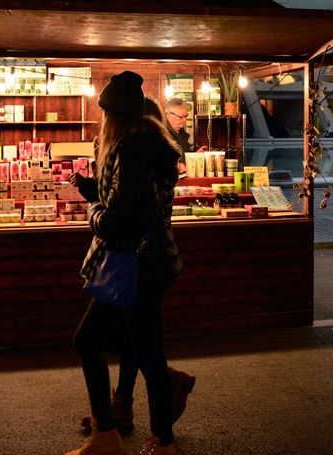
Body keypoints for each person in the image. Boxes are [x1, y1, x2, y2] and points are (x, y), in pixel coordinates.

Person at [67, 73, 184, 455]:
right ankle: (150, 435)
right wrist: (98, 193)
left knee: (93, 341)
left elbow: (119, 223)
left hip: (135, 265)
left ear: (112, 116)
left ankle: (115, 435)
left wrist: (93, 209)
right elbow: (133, 203)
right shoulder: (151, 144)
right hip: (152, 262)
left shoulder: (129, 150)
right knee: (142, 349)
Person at [163, 98, 205, 174]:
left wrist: (195, 155)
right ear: (167, 114)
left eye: (185, 116)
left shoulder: (181, 132)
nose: (184, 120)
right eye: (180, 117)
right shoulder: (161, 134)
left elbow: (184, 157)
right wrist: (176, 166)